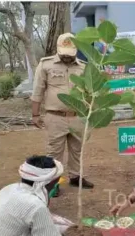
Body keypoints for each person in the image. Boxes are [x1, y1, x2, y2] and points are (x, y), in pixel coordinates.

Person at [31, 32, 94, 189]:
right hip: (55, 117)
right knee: (54, 152)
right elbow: (37, 90)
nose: (67, 57)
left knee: (77, 149)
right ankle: (53, 182)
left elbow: (89, 92)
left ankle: (76, 177)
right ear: (58, 49)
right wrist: (35, 114)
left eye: (70, 54)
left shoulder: (84, 67)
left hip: (78, 116)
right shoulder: (46, 65)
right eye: (64, 54)